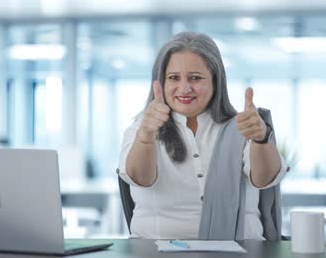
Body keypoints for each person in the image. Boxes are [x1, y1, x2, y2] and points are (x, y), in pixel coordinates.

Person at [117, 31, 288, 240]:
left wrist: (261, 138)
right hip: (156, 252)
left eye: (195, 78)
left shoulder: (243, 126)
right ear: (160, 83)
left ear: (216, 81)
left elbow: (265, 179)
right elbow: (139, 178)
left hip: (241, 253)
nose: (184, 88)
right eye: (173, 78)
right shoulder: (140, 128)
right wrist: (145, 135)